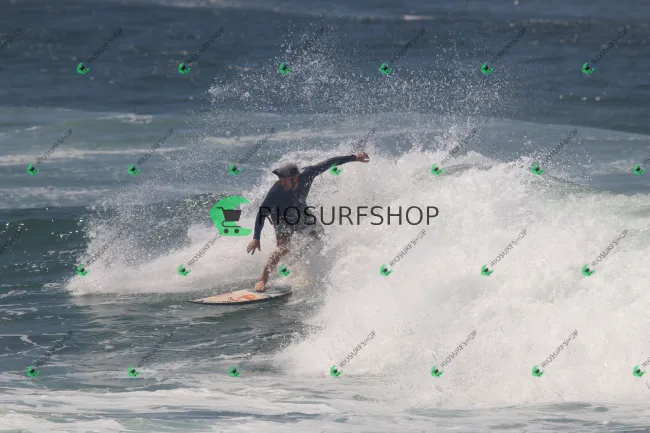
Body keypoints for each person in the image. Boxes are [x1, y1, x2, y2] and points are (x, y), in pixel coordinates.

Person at [246, 152, 370, 291]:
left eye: (285, 179)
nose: (282, 182)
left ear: (295, 178)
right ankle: (263, 279)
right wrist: (256, 237)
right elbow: (262, 213)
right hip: (281, 216)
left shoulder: (308, 174)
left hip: (300, 211)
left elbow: (329, 163)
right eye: (280, 179)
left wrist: (354, 158)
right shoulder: (276, 191)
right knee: (282, 247)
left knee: (319, 236)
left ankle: (307, 268)